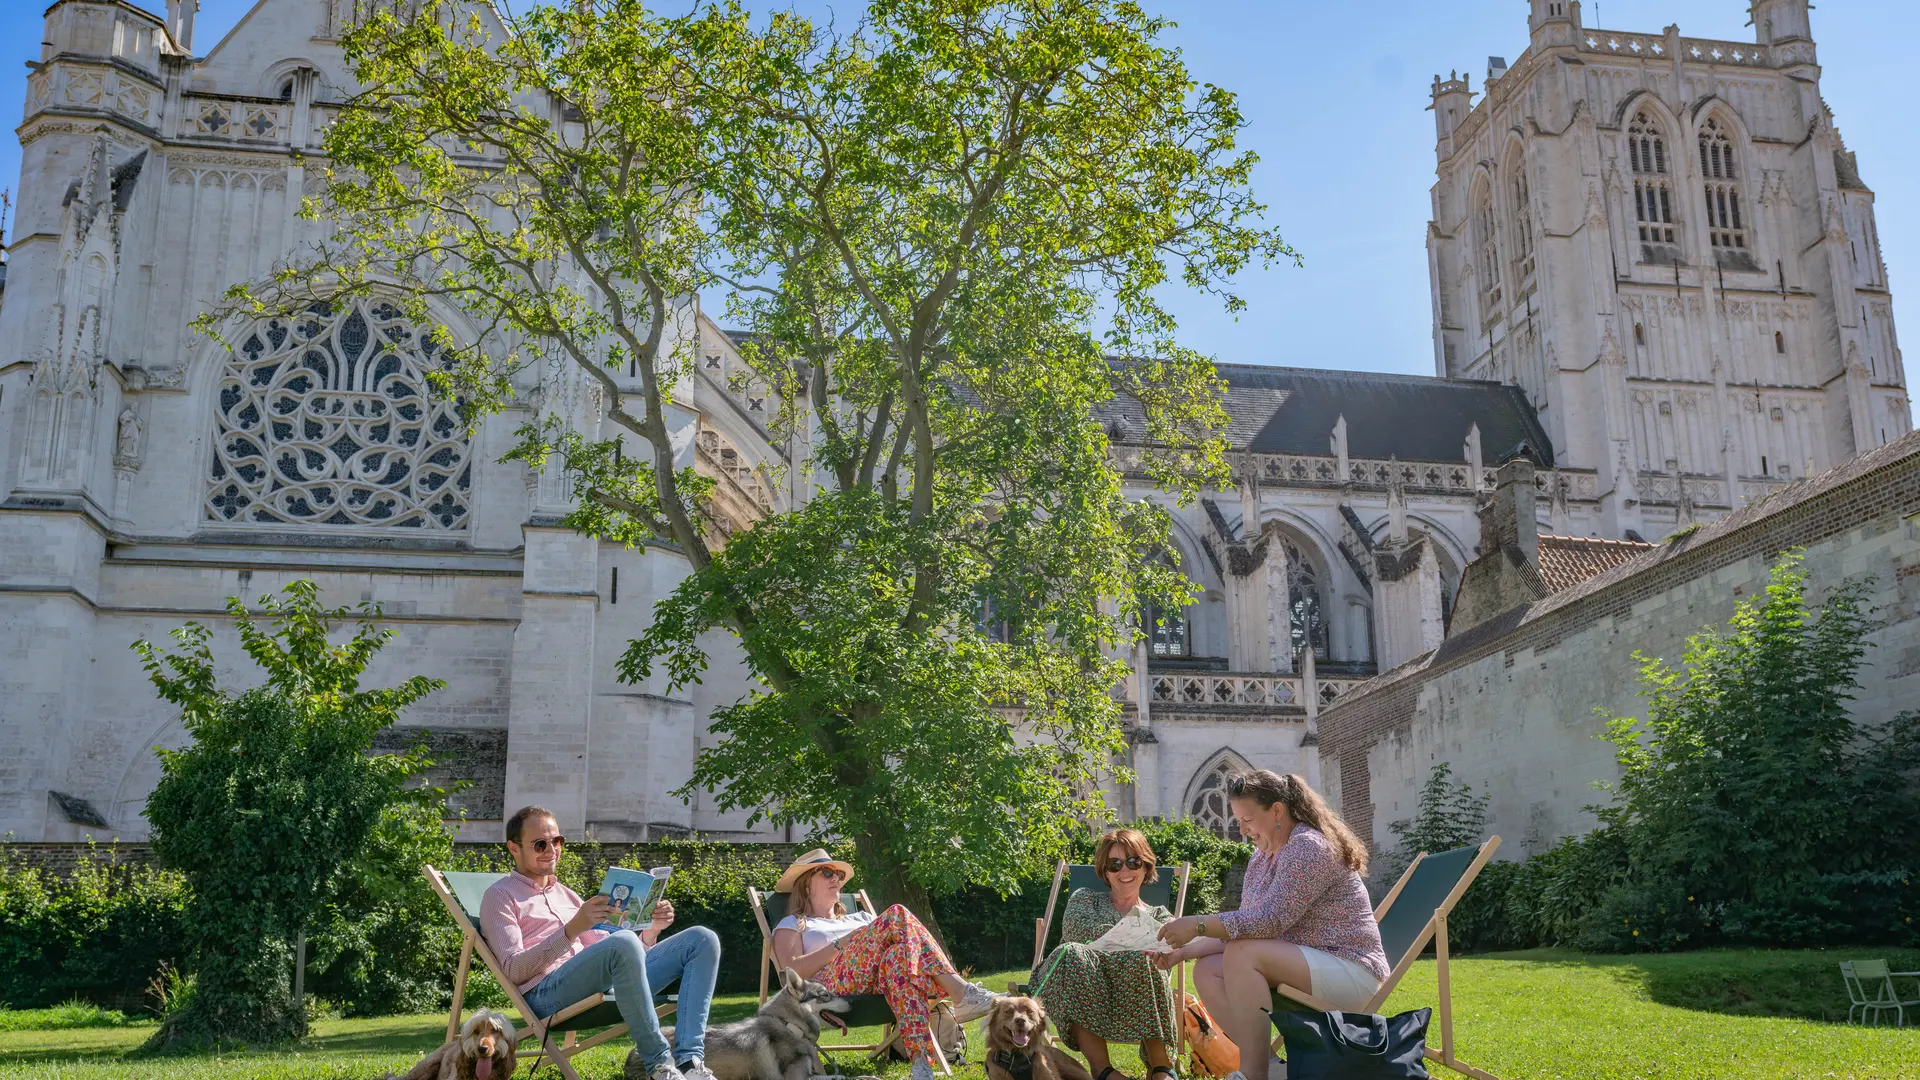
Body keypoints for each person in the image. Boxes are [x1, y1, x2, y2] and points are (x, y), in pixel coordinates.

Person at [1155, 771, 1387, 1080]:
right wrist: (1182, 953)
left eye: (1247, 819)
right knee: (1207, 969)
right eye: (1238, 821)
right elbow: (1246, 927)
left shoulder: (1309, 847)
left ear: (1276, 811)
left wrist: (1197, 924)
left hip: (1352, 971)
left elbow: (1268, 922)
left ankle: (1253, 1074)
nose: (1241, 830)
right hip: (1306, 965)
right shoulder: (1262, 858)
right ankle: (1273, 1069)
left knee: (1241, 954)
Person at [480, 806, 722, 1080]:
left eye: (557, 841)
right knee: (622, 943)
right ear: (514, 848)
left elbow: (620, 953)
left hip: (599, 982)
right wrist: (571, 930)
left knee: (702, 939)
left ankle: (689, 1062)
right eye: (540, 844)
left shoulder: (567, 895)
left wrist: (651, 931)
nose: (551, 850)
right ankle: (659, 1066)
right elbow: (513, 968)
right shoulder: (500, 896)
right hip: (546, 994)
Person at [769, 850, 1001, 1080]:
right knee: (897, 913)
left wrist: (861, 938)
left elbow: (901, 941)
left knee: (898, 958)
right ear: (806, 884)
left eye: (839, 875)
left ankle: (921, 1064)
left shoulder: (860, 918)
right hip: (827, 987)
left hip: (877, 982)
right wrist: (843, 943)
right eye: (827, 873)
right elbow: (793, 972)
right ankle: (961, 992)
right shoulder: (794, 923)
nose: (836, 879)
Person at [1029, 828, 1180, 1080]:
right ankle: (1103, 1071)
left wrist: (1123, 951)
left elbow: (1172, 947)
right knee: (1073, 952)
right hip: (1082, 988)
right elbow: (1077, 934)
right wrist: (1131, 944)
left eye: (1133, 862)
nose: (1125, 871)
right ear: (1105, 871)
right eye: (1115, 864)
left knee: (1145, 957)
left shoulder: (1160, 916)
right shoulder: (1085, 900)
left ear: (1146, 866)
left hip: (1134, 996)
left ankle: (1161, 1068)